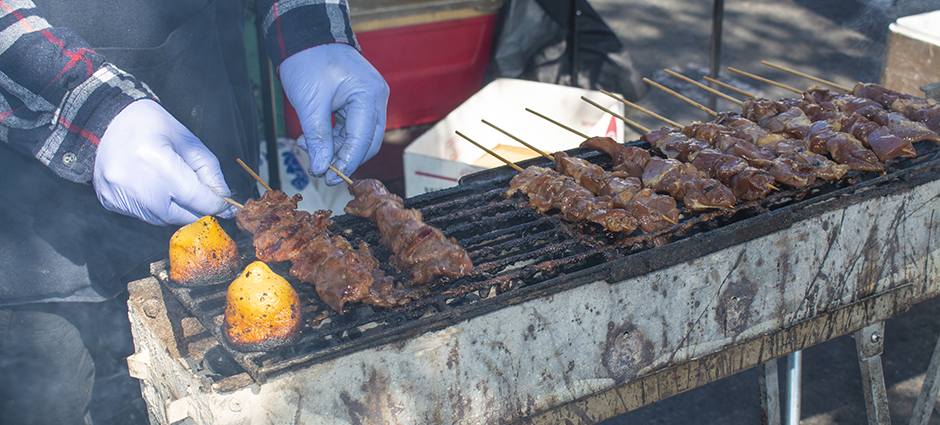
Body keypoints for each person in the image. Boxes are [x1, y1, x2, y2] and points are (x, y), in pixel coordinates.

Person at [0, 0, 389, 423]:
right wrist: (91, 108)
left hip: (202, 115)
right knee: (50, 396)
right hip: (34, 208)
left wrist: (311, 27)